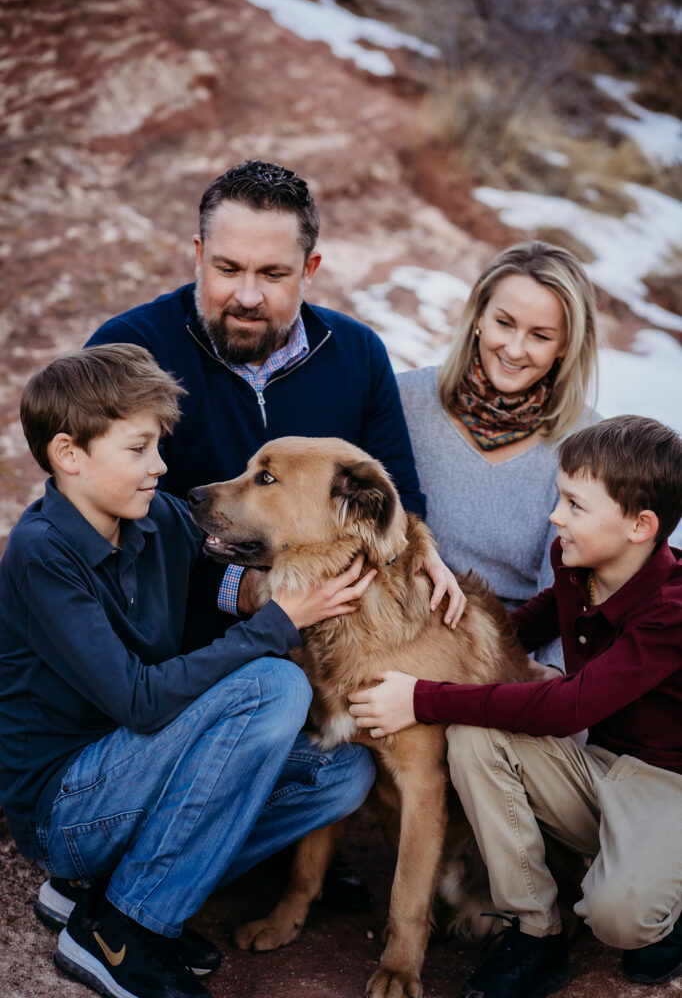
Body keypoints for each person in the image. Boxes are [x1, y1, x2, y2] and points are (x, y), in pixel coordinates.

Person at [0, 344, 378, 998]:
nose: (161, 466)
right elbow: (140, 702)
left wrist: (293, 591)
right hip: (66, 805)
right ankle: (122, 928)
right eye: (140, 449)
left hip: (138, 776)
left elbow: (224, 580)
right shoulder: (42, 554)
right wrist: (280, 622)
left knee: (342, 774)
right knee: (275, 683)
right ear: (69, 455)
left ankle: (111, 889)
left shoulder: (156, 521)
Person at [348, 415, 682, 998]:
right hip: (598, 769)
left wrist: (421, 696)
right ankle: (535, 933)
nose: (556, 517)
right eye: (560, 497)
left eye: (576, 505)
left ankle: (664, 897)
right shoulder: (576, 563)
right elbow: (538, 618)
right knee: (474, 736)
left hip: (666, 785)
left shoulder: (672, 611)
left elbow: (566, 708)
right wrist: (456, 628)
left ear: (640, 525)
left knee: (617, 920)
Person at [86, 159, 464, 636]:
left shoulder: (359, 353)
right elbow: (98, 522)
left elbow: (398, 499)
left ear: (310, 269)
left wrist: (415, 548)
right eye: (227, 269)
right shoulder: (128, 351)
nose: (247, 295)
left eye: (272, 274)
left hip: (327, 633)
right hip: (162, 641)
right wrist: (243, 592)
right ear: (198, 255)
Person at [397, 239, 599, 668]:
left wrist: (548, 686)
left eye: (540, 336)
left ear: (565, 345)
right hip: (398, 631)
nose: (513, 349)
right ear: (478, 319)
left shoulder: (588, 443)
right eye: (504, 323)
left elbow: (570, 594)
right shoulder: (404, 400)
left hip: (510, 655)